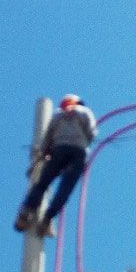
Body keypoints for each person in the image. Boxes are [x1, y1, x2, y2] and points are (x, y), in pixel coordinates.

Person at [15, 95, 98, 234]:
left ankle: (27, 210)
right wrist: (83, 141)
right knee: (65, 190)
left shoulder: (57, 115)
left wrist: (45, 153)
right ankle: (47, 219)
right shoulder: (85, 111)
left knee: (43, 183)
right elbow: (92, 132)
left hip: (59, 151)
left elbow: (47, 139)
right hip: (78, 153)